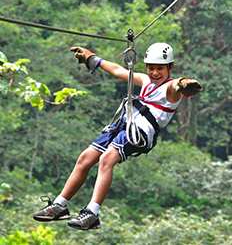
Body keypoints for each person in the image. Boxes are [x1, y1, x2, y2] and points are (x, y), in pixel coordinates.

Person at [33, 43, 202, 230]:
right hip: (123, 125)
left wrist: (184, 83)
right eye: (151, 68)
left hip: (140, 133)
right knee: (85, 158)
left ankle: (92, 213)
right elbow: (117, 70)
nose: (155, 73)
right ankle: (59, 205)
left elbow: (178, 85)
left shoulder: (170, 88)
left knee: (106, 159)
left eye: (160, 68)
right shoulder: (145, 81)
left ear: (169, 67)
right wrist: (91, 58)